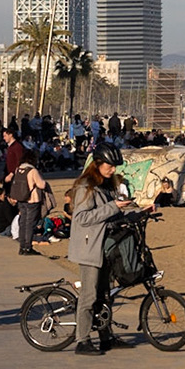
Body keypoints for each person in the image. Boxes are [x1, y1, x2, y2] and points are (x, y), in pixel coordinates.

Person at [68, 151, 126, 356]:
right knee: (89, 296)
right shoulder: (86, 186)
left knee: (104, 295)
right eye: (110, 166)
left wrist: (140, 212)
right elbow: (82, 218)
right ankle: (82, 340)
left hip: (102, 247)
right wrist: (113, 207)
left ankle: (106, 338)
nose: (113, 170)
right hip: (88, 248)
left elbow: (109, 214)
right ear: (98, 164)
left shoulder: (106, 184)